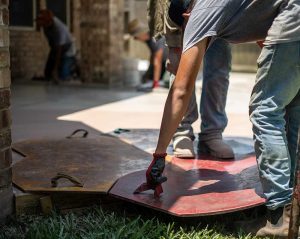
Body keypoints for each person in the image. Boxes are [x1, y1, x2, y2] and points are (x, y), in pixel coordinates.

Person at [145, 0, 300, 237]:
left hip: (293, 18)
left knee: (265, 110)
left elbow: (181, 90)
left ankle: (278, 219)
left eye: (183, 34)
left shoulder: (201, 13)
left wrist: (159, 155)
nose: (186, 40)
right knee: (289, 106)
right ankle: (290, 213)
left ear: (187, 15)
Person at [147, 0, 234, 159]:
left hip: (221, 8)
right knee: (181, 67)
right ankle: (182, 131)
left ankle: (212, 133)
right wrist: (174, 41)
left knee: (219, 68)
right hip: (181, 8)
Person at [36, 10, 77, 83]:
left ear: (47, 21)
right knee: (47, 73)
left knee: (63, 75)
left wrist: (55, 69)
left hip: (67, 48)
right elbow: (52, 44)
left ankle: (74, 69)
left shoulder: (59, 29)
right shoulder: (45, 27)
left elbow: (59, 50)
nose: (39, 23)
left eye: (41, 21)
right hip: (56, 47)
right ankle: (51, 74)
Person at [128, 19, 168, 89]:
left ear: (141, 33)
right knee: (147, 78)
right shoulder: (148, 40)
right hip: (163, 61)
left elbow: (157, 61)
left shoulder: (156, 37)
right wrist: (148, 74)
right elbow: (153, 56)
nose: (135, 39)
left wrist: (155, 83)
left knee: (166, 80)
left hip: (171, 62)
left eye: (136, 37)